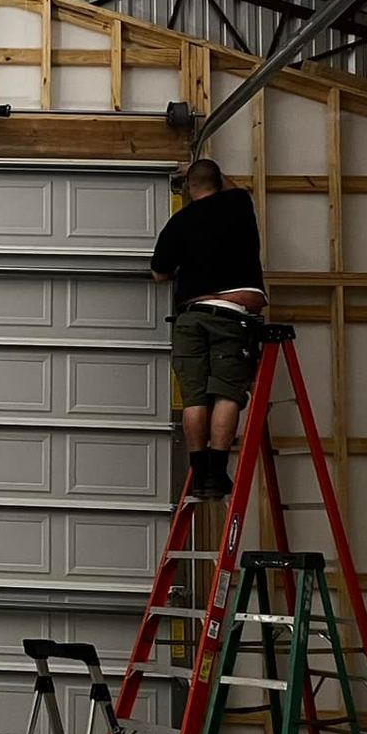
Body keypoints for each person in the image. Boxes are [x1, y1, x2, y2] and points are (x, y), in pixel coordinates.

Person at [149, 158, 266, 500]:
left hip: (192, 314)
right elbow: (230, 185)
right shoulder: (238, 203)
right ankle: (217, 473)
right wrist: (198, 168)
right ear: (218, 181)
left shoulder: (180, 221)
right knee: (227, 394)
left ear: (189, 189)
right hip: (232, 313)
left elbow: (159, 273)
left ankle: (199, 474)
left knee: (195, 399)